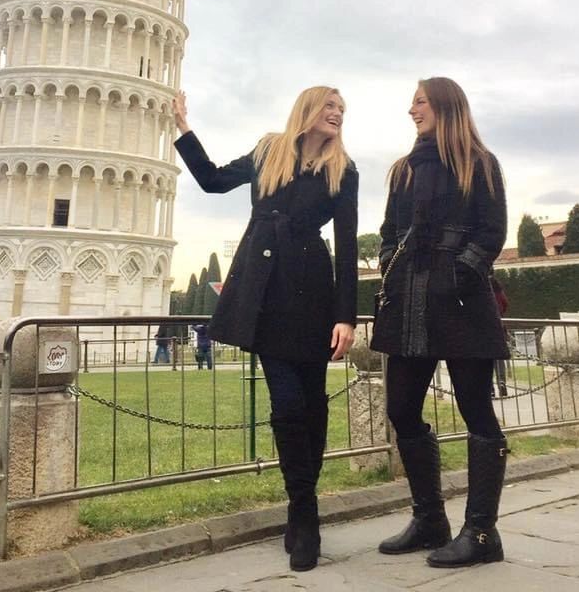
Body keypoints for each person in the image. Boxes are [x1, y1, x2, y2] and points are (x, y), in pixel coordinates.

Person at [173, 86, 358, 572]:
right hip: (266, 289)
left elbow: (346, 240)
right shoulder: (268, 150)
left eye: (342, 109)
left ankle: (301, 508)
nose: (337, 114)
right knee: (288, 404)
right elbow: (212, 181)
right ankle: (306, 511)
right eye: (330, 106)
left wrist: (346, 316)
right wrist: (184, 129)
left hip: (313, 290)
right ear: (308, 110)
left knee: (314, 404)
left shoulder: (344, 169)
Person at [371, 77, 509, 568]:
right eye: (411, 102)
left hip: (463, 305)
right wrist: (392, 262)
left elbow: (493, 232)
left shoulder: (480, 163)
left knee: (477, 412)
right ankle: (430, 518)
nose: (411, 109)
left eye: (420, 101)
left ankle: (481, 532)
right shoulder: (403, 170)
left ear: (445, 107)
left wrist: (458, 273)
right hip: (408, 301)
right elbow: (389, 231)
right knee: (402, 408)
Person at [490, 273, 509, 398]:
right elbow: (505, 303)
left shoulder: (479, 284)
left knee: (487, 359)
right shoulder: (497, 287)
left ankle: (490, 387)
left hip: (484, 327)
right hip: (499, 326)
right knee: (499, 358)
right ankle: (502, 383)